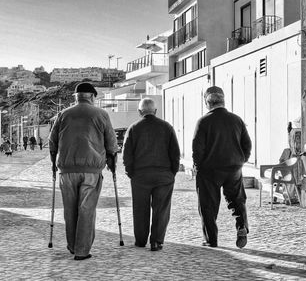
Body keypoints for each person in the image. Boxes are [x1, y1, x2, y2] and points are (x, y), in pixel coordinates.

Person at [49, 82, 118, 260]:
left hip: (67, 170)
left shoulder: (63, 114)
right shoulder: (101, 114)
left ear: (76, 97)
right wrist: (112, 163)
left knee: (69, 209)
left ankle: (72, 246)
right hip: (91, 171)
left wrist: (53, 163)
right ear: (92, 97)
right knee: (86, 209)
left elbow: (52, 141)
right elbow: (111, 144)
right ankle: (82, 251)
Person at [192, 86, 252, 249]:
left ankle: (211, 239)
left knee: (208, 205)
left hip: (209, 171)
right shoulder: (236, 120)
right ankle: (241, 226)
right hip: (233, 168)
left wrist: (198, 167)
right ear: (224, 101)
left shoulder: (203, 122)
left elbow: (197, 149)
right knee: (237, 200)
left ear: (207, 103)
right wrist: (241, 160)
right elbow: (247, 144)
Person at [123, 98, 180, 251]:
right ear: (155, 111)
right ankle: (156, 241)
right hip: (164, 175)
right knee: (161, 209)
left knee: (140, 209)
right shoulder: (167, 127)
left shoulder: (134, 128)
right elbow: (175, 153)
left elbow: (126, 155)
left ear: (140, 112)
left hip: (140, 176)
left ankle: (141, 240)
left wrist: (131, 173)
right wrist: (172, 173)